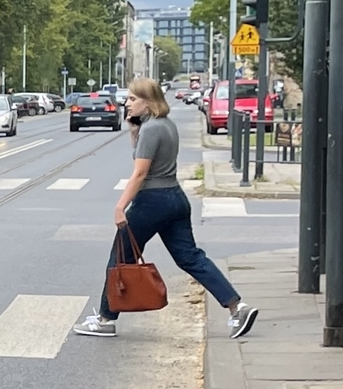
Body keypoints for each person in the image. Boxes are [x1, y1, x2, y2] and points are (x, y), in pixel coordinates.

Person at [75, 78, 258, 339]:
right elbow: (144, 155)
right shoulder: (165, 125)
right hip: (175, 198)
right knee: (191, 257)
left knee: (119, 258)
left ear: (148, 102)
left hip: (151, 202)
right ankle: (236, 307)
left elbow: (140, 173)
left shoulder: (152, 130)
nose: (127, 103)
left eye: (133, 99)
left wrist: (120, 206)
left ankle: (105, 319)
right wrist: (132, 128)